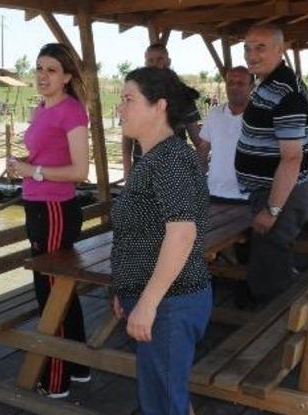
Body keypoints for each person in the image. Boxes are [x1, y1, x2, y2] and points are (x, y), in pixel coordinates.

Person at [111, 66, 212, 414]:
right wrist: (127, 289)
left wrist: (149, 302)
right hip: (160, 301)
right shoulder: (156, 156)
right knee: (166, 398)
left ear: (159, 106)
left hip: (171, 304)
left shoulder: (169, 158)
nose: (120, 108)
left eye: (128, 99)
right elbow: (140, 231)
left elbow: (182, 233)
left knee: (164, 403)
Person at [6, 42, 90, 398]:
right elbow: (44, 155)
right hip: (38, 205)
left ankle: (56, 381)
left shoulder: (71, 111)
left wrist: (32, 170)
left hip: (55, 208)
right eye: (39, 68)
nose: (42, 76)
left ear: (68, 77)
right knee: (60, 289)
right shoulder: (43, 108)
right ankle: (79, 365)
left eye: (51, 70)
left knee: (51, 292)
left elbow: (80, 171)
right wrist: (23, 163)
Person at [235, 25, 308, 306]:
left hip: (280, 195)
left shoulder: (285, 93)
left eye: (260, 47)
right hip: (272, 191)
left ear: (281, 51)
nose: (251, 54)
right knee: (270, 265)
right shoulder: (268, 83)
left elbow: (292, 157)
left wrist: (272, 209)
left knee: (271, 280)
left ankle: (280, 338)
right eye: (247, 47)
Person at [122, 43, 202, 176]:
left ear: (168, 61)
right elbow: (127, 139)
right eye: (150, 60)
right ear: (145, 63)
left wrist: (198, 171)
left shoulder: (183, 94)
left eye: (160, 59)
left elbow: (198, 141)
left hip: (174, 171)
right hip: (141, 170)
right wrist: (127, 171)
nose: (155, 64)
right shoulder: (135, 95)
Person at [198, 66, 252, 202]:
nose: (234, 87)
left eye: (240, 83)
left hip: (249, 197)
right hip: (214, 193)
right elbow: (203, 149)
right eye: (230, 83)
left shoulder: (261, 117)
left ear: (251, 87)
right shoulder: (214, 114)